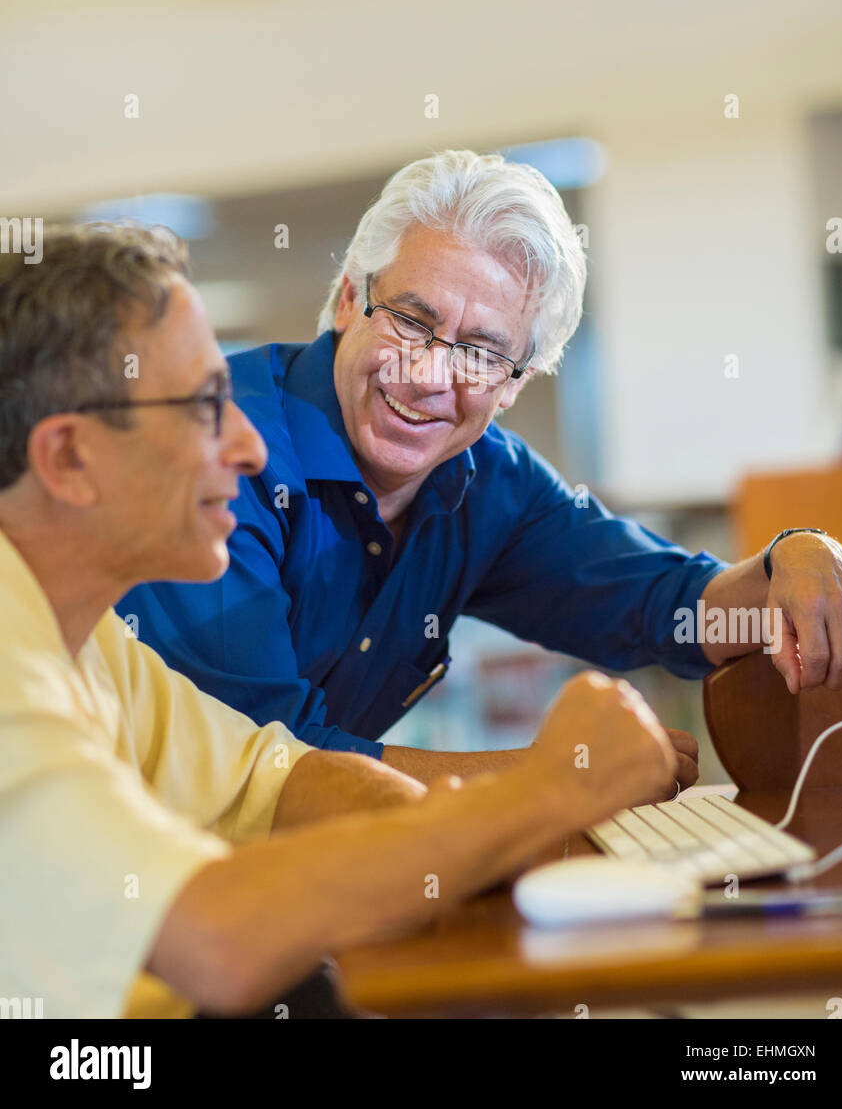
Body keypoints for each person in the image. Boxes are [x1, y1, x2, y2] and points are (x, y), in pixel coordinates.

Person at [0, 223, 678, 1019]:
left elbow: (280, 778)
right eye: (205, 406)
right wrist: (546, 795)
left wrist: (513, 818)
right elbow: (216, 940)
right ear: (70, 459)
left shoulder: (91, 639)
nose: (250, 446)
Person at [120, 150, 842, 786]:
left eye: (481, 351)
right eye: (411, 320)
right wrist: (548, 781)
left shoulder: (489, 481)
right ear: (349, 299)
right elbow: (258, 764)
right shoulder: (217, 448)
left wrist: (793, 560)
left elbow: (663, 605)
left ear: (515, 383)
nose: (428, 377)